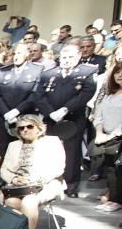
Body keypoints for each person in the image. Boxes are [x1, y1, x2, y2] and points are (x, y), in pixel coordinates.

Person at [32, 42, 97, 197]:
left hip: (73, 118)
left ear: (79, 57)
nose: (67, 60)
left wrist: (66, 109)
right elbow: (38, 95)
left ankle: (71, 185)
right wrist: (50, 112)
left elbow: (86, 93)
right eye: (64, 57)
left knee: (72, 152)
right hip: (52, 118)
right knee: (50, 150)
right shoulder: (49, 73)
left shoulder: (87, 71)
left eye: (70, 57)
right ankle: (48, 183)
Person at [0, 114, 66, 229]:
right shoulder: (13, 145)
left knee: (29, 202)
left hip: (47, 183)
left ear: (39, 128)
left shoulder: (52, 142)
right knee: (11, 202)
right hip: (18, 186)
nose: (25, 130)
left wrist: (34, 179)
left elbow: (58, 167)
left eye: (30, 126)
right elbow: (4, 169)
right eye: (21, 128)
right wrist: (14, 179)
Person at [91, 61, 122, 210]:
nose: (120, 75)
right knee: (111, 169)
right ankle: (114, 199)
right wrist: (99, 132)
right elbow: (99, 115)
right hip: (106, 137)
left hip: (118, 137)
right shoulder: (109, 94)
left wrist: (112, 135)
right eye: (117, 72)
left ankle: (118, 201)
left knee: (119, 170)